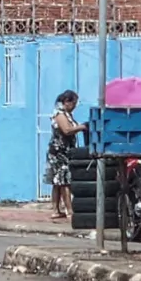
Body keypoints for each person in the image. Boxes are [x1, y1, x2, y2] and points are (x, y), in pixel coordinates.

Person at [47, 90, 86, 220]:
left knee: (58, 182)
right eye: (74, 103)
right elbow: (67, 130)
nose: (75, 106)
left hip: (65, 151)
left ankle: (56, 210)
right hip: (59, 153)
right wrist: (82, 127)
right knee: (64, 182)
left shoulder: (67, 114)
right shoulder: (60, 114)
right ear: (66, 102)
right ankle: (69, 210)